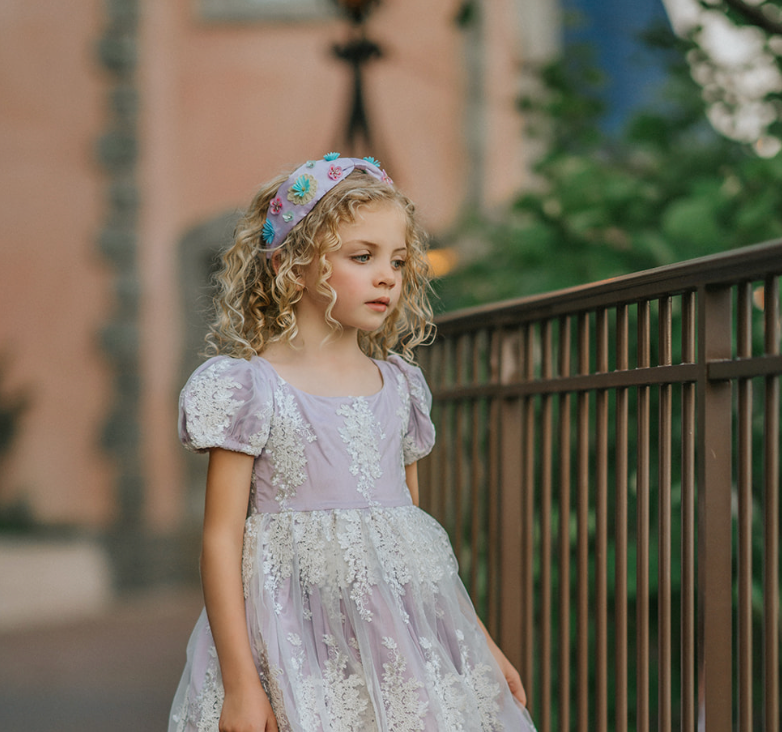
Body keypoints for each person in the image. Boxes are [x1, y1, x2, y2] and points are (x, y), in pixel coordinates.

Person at [168, 154, 537, 732]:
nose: (387, 276)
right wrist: (242, 686)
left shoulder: (400, 386)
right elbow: (220, 538)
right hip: (292, 649)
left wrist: (479, 645)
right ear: (295, 265)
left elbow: (415, 547)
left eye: (397, 260)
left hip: (397, 651)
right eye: (361, 257)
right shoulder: (247, 387)